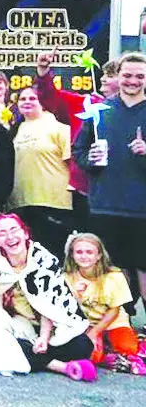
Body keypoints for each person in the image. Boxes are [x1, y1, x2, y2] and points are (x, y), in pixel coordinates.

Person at [73, 52, 146, 321]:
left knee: (143, 269)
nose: (133, 81)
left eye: (140, 76)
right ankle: (119, 325)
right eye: (127, 75)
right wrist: (89, 159)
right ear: (118, 76)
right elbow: (78, 151)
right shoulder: (99, 112)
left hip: (141, 208)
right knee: (112, 271)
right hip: (105, 204)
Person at [0, 214, 97, 381]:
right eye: (2, 233)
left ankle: (36, 359)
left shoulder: (43, 260)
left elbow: (49, 304)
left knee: (83, 346)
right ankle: (62, 367)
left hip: (49, 326)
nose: (10, 237)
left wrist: (44, 337)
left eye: (14, 230)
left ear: (25, 233)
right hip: (20, 325)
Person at [63, 233, 145, 374]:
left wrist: (95, 332)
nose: (84, 256)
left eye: (89, 252)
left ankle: (128, 342)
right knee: (92, 356)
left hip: (112, 320)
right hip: (85, 322)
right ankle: (107, 351)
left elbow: (114, 310)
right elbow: (68, 309)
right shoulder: (66, 277)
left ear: (99, 255)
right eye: (79, 252)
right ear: (72, 255)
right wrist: (77, 297)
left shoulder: (114, 276)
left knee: (127, 348)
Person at [7, 86, 73, 258]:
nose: (27, 102)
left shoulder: (60, 128)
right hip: (20, 203)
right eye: (22, 99)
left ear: (42, 102)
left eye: (32, 98)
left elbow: (73, 164)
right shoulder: (15, 131)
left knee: (53, 256)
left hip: (53, 203)